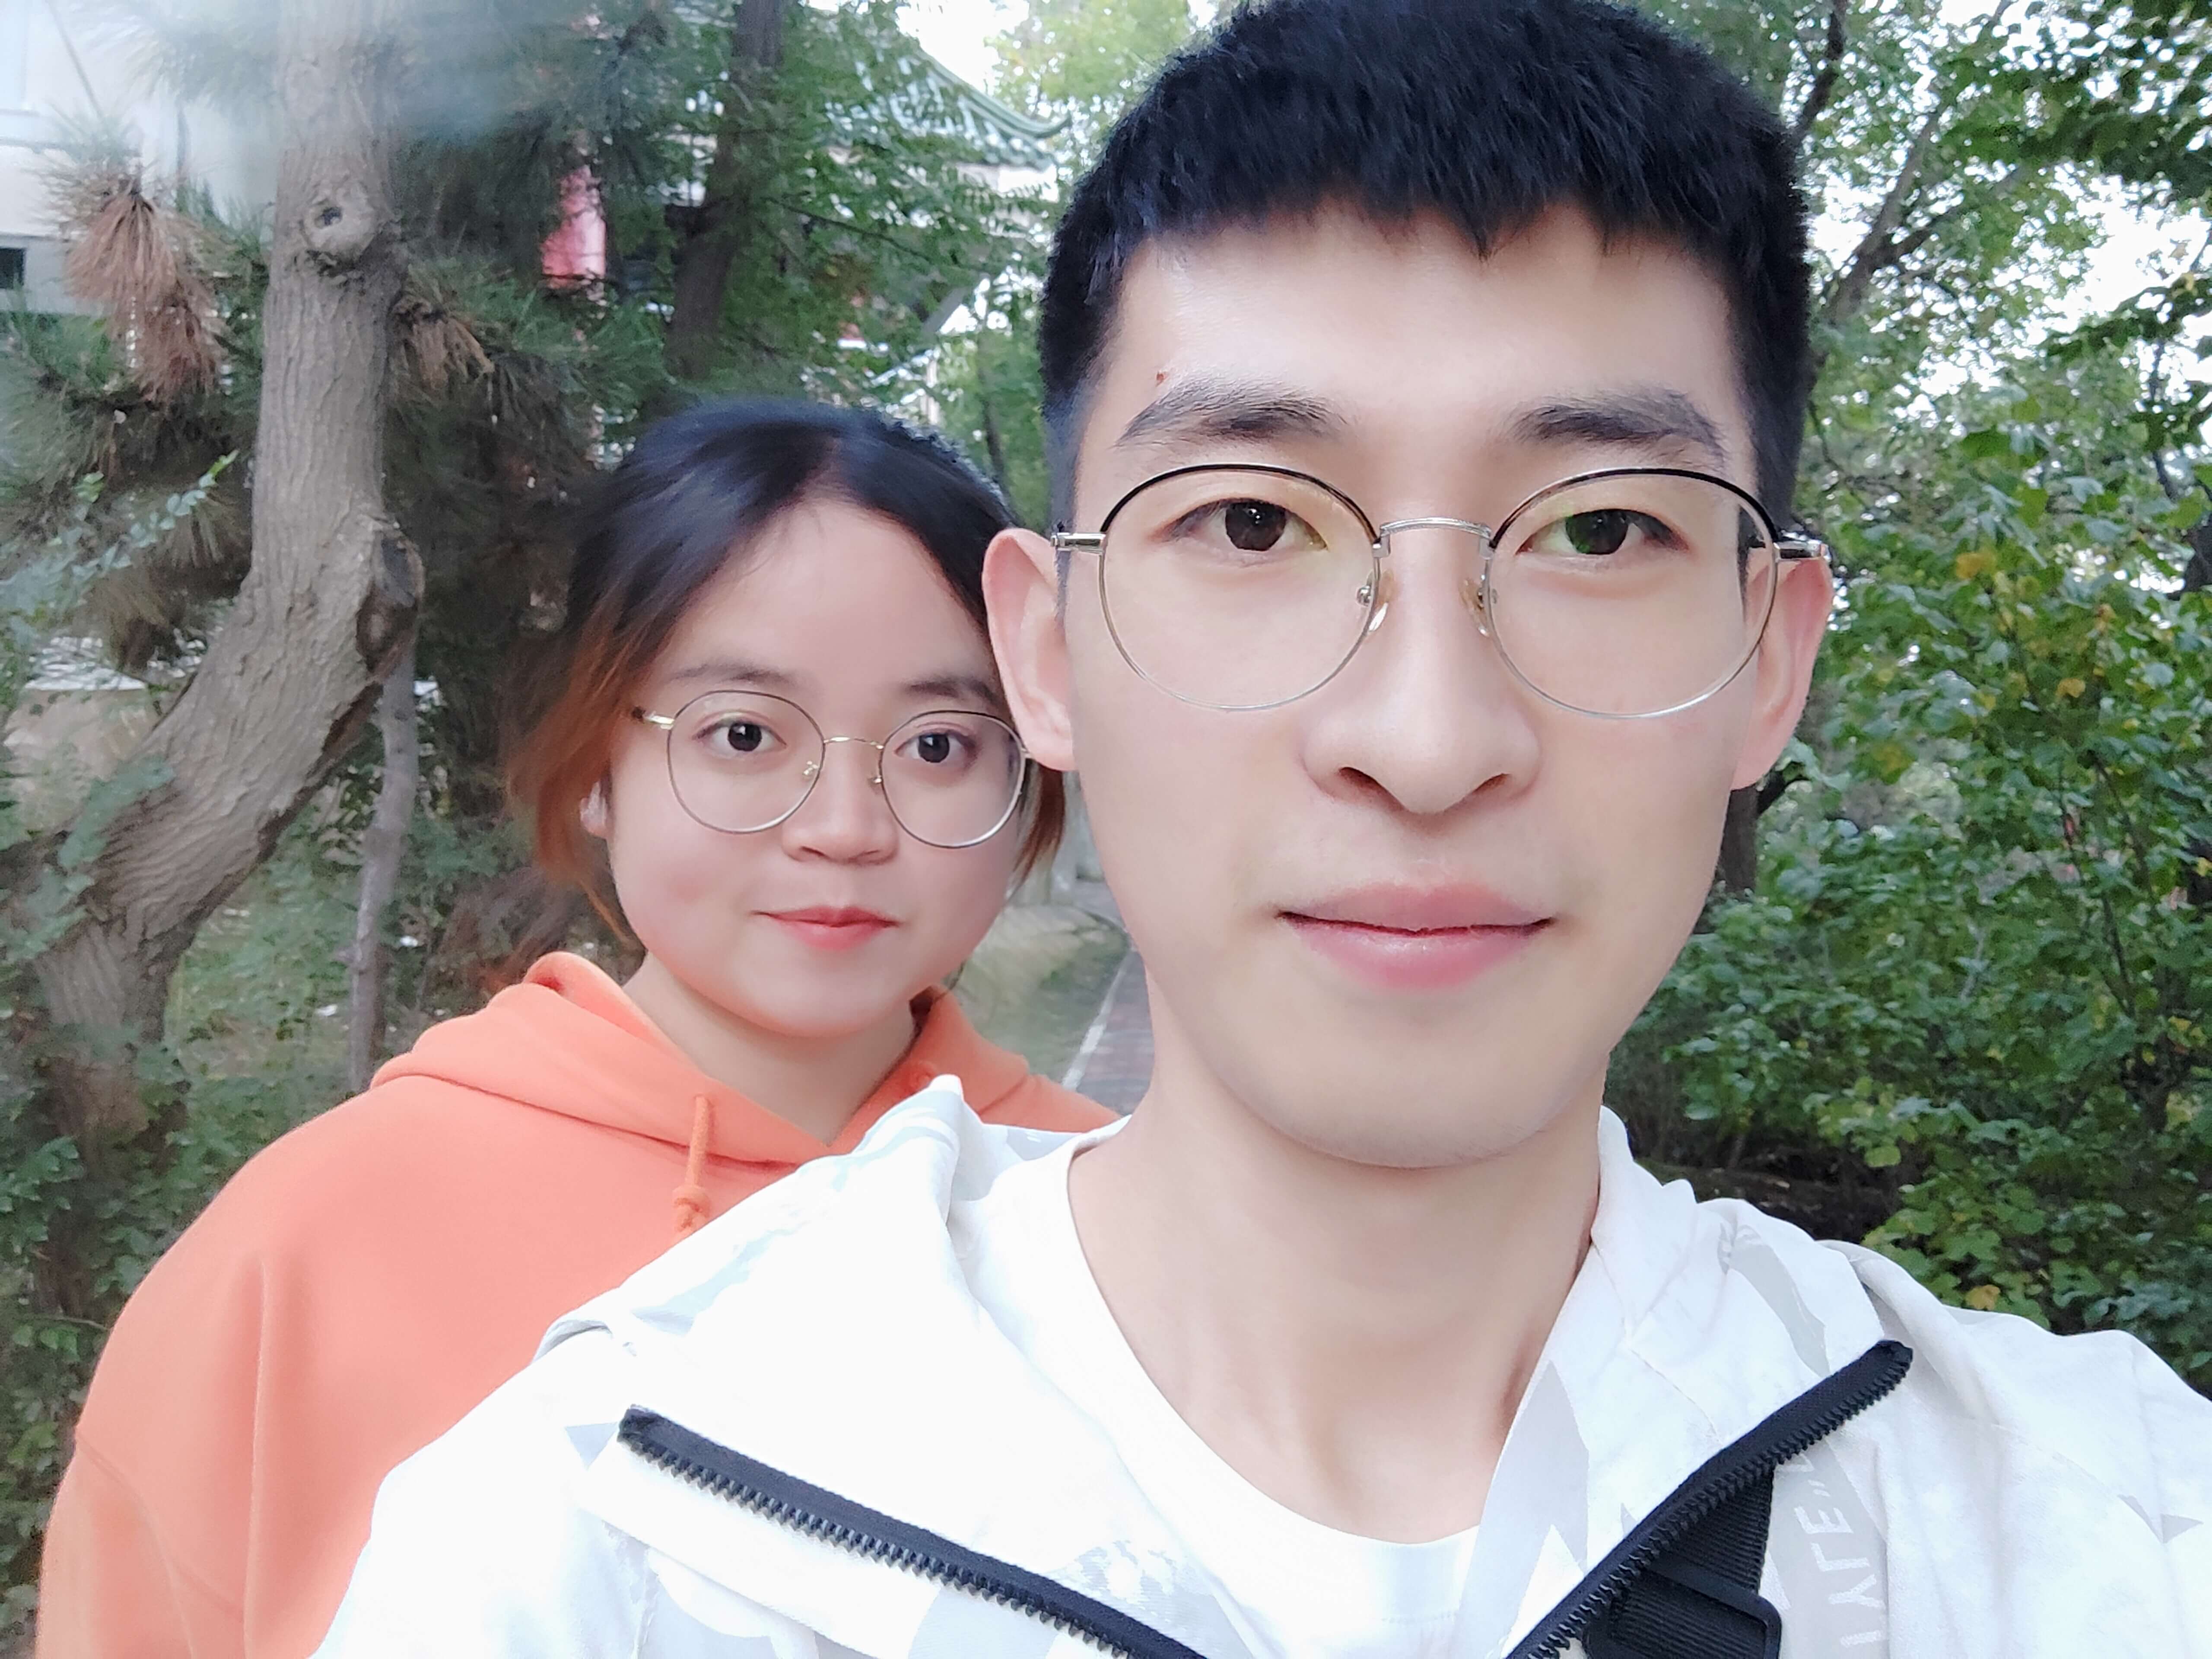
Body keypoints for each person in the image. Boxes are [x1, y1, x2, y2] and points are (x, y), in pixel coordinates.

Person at [314, 3, 2212, 1655]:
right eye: (1248, 522)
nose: (1426, 739)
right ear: (1046, 654)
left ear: (1767, 661)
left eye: (1600, 530)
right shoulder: (616, 1534)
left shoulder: (2097, 1529)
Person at [35, 399, 1110, 1659]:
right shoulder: (307, 1249)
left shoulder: (1119, 1218)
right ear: (598, 762)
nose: (844, 827)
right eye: (744, 735)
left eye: (937, 744)